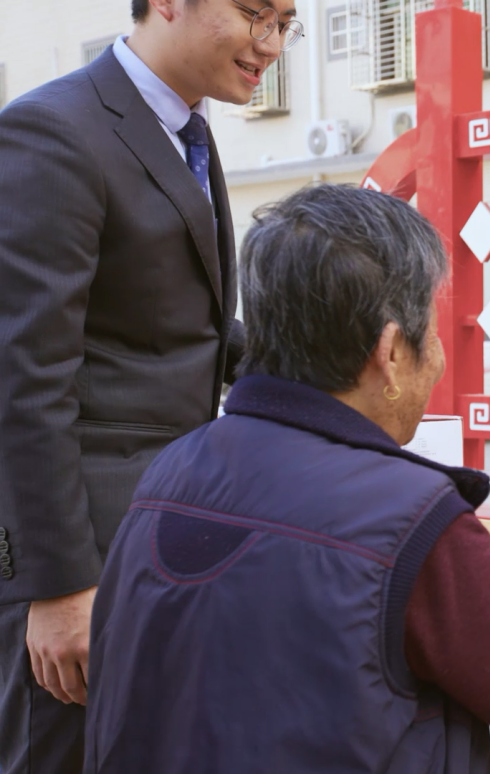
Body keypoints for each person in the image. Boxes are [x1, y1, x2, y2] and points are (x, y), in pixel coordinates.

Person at [82, 184, 490, 771]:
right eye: (433, 330)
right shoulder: (412, 516)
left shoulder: (173, 469)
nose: (440, 357)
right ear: (391, 351)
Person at [0, 1, 298, 770]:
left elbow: (176, 327)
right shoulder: (54, 131)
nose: (270, 44)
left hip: (167, 531)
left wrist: (314, 370)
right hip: (84, 555)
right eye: (255, 14)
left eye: (286, 23)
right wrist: (59, 588)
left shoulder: (186, 130)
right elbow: (24, 380)